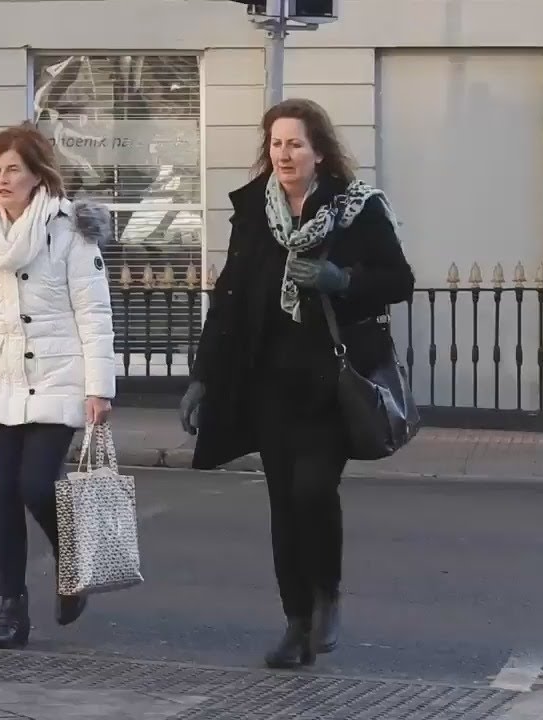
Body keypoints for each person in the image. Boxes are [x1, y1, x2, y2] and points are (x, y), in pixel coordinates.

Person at [177, 99, 415, 668]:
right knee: (283, 506)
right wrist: (203, 377)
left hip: (331, 379)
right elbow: (229, 299)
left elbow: (398, 280)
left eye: (296, 144)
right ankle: (295, 621)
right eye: (276, 144)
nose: (284, 154)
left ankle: (327, 593)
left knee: (312, 491)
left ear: (319, 151)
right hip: (267, 382)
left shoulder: (357, 209)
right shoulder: (256, 212)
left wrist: (342, 279)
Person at [0, 122, 117, 650]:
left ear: (38, 174)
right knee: (1, 494)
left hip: (57, 377)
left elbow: (94, 312)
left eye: (13, 168)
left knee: (36, 485)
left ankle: (70, 563)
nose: (2, 178)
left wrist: (99, 388)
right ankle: (12, 609)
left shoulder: (67, 229)